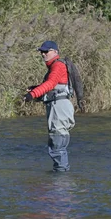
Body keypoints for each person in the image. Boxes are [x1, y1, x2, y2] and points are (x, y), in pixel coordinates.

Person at [22, 40, 75, 172]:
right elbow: (52, 87)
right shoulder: (54, 67)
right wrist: (36, 89)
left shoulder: (58, 66)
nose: (43, 54)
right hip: (58, 107)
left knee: (57, 145)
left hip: (59, 109)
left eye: (46, 51)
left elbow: (50, 84)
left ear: (55, 52)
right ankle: (60, 177)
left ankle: (61, 180)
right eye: (41, 51)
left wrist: (32, 94)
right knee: (57, 144)